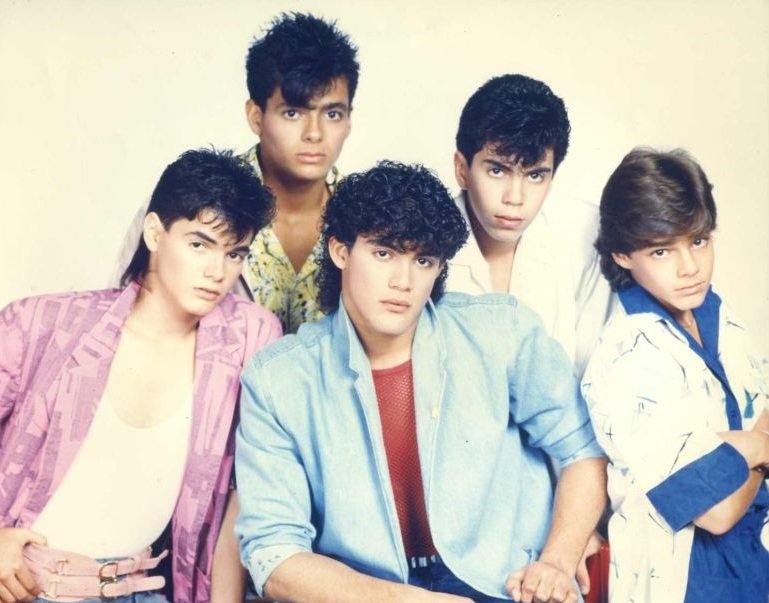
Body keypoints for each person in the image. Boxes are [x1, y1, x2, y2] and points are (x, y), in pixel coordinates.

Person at [235, 161, 607, 603]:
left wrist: (557, 561)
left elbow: (582, 449)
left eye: (423, 260)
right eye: (384, 254)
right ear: (340, 252)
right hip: (367, 595)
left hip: (503, 584)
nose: (404, 282)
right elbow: (274, 554)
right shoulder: (277, 378)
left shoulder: (501, 331)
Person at [0, 149, 281, 603]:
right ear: (154, 232)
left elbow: (244, 490)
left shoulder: (247, 338)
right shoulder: (40, 325)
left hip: (144, 591)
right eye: (199, 244)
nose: (217, 272)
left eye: (234, 254)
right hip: (25, 589)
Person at [581, 148, 769, 603]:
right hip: (685, 584)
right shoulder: (627, 356)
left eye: (699, 241)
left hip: (755, 563)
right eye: (662, 250)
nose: (690, 268)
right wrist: (762, 445)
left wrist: (739, 449)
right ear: (623, 254)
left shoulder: (719, 314)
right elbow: (717, 511)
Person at [113, 12, 359, 334]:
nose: (314, 133)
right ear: (256, 116)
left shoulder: (364, 219)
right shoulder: (187, 199)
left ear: (349, 120)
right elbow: (122, 320)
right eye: (292, 113)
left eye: (332, 114)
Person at [447, 74, 614, 378]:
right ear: (462, 170)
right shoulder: (419, 247)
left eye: (535, 175)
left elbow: (594, 370)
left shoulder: (583, 234)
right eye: (497, 171)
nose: (515, 197)